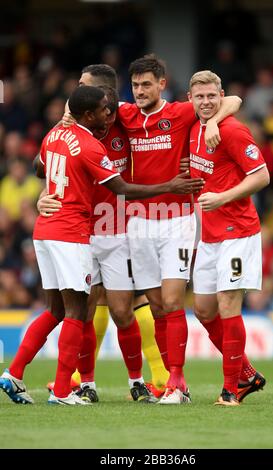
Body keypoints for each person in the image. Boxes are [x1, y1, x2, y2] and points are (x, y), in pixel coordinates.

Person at [0, 85, 202, 406]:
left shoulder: (55, 135)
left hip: (53, 230)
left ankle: (14, 372)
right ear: (88, 113)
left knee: (60, 310)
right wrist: (172, 186)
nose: (110, 114)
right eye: (103, 110)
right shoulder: (89, 145)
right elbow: (121, 187)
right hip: (73, 232)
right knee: (78, 312)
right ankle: (67, 390)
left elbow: (45, 167)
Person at [39, 64, 171, 401]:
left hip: (117, 228)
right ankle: (84, 382)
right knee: (82, 309)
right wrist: (45, 194)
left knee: (121, 309)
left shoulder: (125, 118)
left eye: (83, 85)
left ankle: (143, 379)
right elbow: (43, 165)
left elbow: (160, 131)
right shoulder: (75, 125)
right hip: (79, 229)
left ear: (106, 98)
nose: (76, 90)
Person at [116, 54, 242, 404]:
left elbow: (233, 99)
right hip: (138, 222)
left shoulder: (181, 112)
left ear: (162, 84)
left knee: (172, 300)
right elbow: (81, 102)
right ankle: (171, 378)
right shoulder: (124, 114)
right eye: (135, 85)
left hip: (177, 220)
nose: (140, 91)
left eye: (146, 84)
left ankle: (178, 381)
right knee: (156, 306)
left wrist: (215, 121)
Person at [188, 70, 269, 405]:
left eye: (211, 96)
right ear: (190, 98)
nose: (206, 102)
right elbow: (232, 101)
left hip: (238, 232)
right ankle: (248, 373)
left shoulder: (233, 131)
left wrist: (223, 197)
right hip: (209, 235)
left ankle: (231, 390)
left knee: (228, 305)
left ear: (220, 94)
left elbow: (262, 176)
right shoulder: (195, 127)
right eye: (199, 97)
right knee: (205, 310)